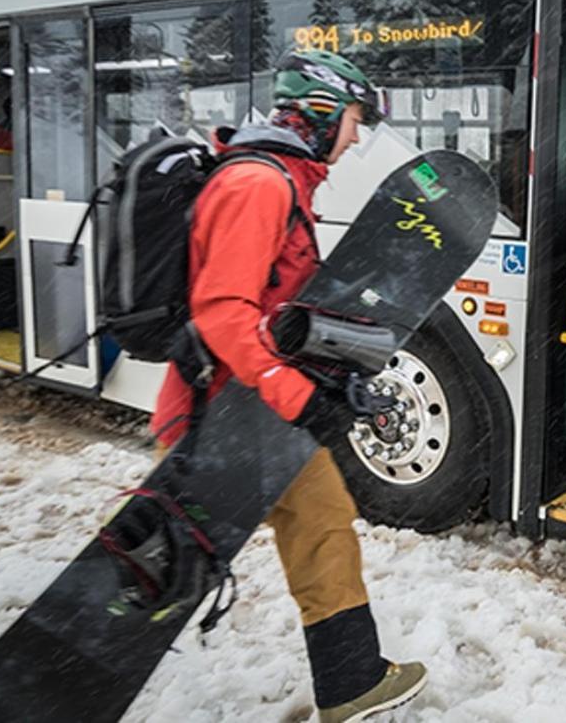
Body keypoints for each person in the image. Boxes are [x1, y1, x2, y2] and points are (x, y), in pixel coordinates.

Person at [148, 49, 426, 722]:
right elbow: (223, 312)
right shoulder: (258, 185)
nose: (356, 136)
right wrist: (291, 391)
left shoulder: (285, 181)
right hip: (215, 421)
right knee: (158, 586)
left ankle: (351, 680)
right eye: (356, 120)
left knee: (325, 523)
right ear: (326, 111)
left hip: (254, 415)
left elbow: (277, 307)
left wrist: (329, 377)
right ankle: (71, 667)